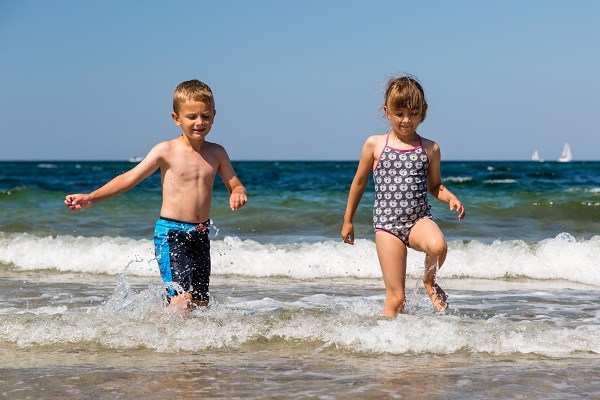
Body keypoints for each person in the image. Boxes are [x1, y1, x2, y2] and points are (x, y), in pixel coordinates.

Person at [65, 79, 248, 308]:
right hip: (172, 234)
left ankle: (191, 342)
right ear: (176, 118)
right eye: (191, 117)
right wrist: (91, 197)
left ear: (214, 114)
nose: (199, 122)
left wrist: (237, 193)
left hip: (200, 234)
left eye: (206, 116)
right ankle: (162, 339)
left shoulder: (217, 152)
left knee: (201, 302)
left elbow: (235, 184)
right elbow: (129, 178)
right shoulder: (166, 150)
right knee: (181, 300)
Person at [341, 76, 465, 317]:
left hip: (418, 221)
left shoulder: (430, 148)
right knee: (397, 300)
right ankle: (386, 345)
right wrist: (348, 220)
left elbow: (435, 185)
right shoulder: (375, 144)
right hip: (387, 226)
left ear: (423, 113)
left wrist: (450, 197)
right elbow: (359, 182)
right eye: (399, 113)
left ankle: (429, 280)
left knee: (438, 246)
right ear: (387, 112)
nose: (406, 120)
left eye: (413, 113)